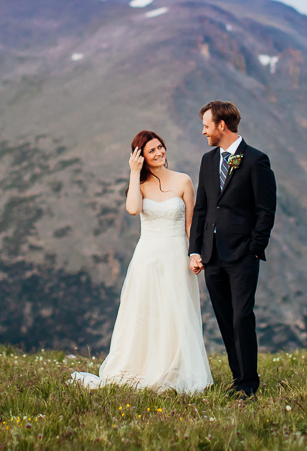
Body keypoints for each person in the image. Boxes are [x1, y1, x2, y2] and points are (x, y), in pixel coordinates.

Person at [71, 130, 213, 393]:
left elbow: (192, 224)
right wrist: (134, 173)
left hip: (175, 255)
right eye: (151, 151)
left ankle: (175, 369)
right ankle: (141, 367)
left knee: (176, 311)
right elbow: (133, 209)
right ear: (141, 157)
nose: (159, 153)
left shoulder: (183, 181)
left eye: (160, 147)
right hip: (148, 256)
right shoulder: (139, 185)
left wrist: (195, 254)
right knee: (143, 312)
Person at [189, 101, 277, 397]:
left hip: (242, 255)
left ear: (221, 126)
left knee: (242, 316)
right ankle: (238, 379)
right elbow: (202, 208)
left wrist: (254, 247)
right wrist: (195, 249)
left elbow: (266, 210)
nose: (203, 131)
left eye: (206, 125)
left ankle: (250, 384)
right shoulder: (208, 160)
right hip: (212, 255)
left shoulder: (256, 160)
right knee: (226, 319)